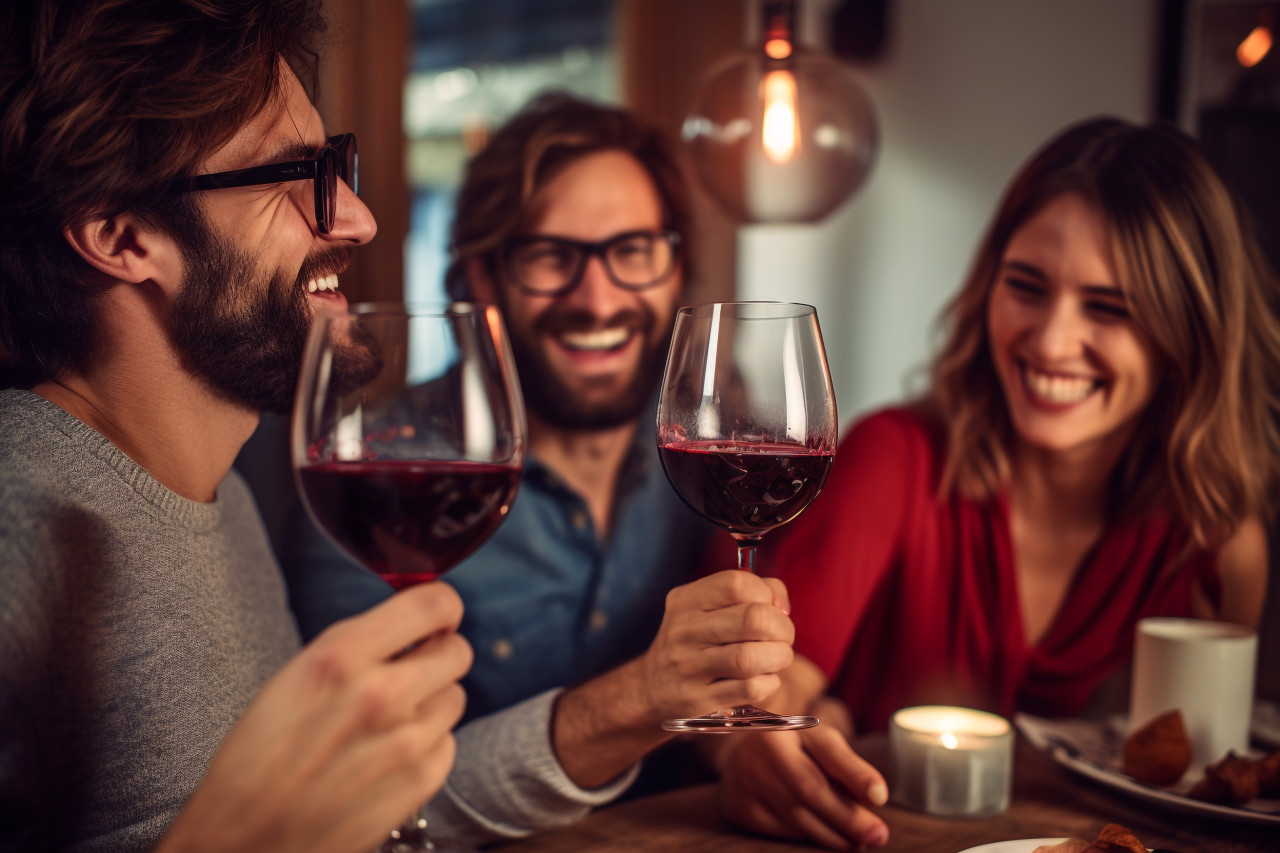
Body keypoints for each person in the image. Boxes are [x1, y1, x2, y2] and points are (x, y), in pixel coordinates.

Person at [710, 116, 1280, 850]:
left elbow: (1214, 789)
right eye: (1027, 286)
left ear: (1187, 337)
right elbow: (772, 691)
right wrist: (754, 746)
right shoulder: (896, 457)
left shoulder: (1220, 541)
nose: (1049, 341)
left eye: (1109, 307)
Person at [0, 2, 466, 851]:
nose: (356, 218)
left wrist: (621, 710)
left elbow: (341, 815)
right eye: (293, 176)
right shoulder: (15, 526)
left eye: (332, 164)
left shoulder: (229, 502)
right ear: (122, 235)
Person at [279, 93, 797, 846]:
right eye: (552, 256)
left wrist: (754, 737)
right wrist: (637, 697)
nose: (598, 299)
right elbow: (355, 801)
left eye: (633, 250)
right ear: (482, 277)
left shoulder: (713, 449)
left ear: (675, 266)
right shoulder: (375, 478)